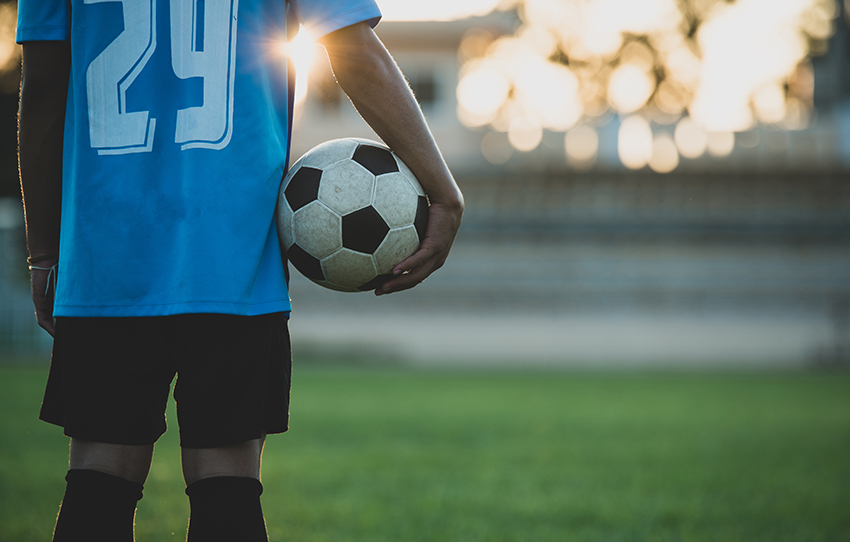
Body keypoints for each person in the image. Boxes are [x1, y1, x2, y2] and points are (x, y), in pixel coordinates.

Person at [17, 0, 464, 539]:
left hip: (108, 257)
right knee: (226, 486)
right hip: (232, 257)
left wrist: (43, 250)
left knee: (98, 478)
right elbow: (356, 52)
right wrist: (444, 194)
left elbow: (42, 87)